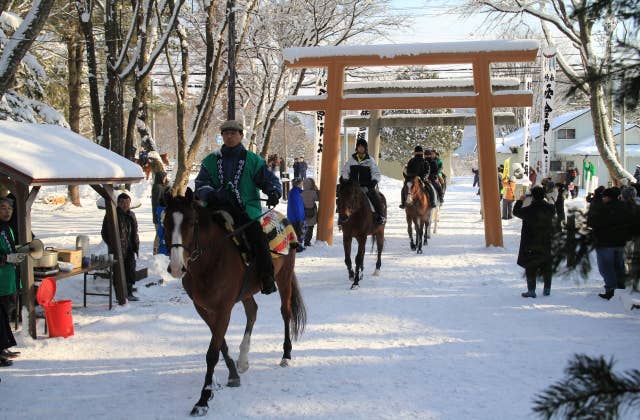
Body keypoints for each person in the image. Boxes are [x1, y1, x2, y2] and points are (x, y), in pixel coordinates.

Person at [195, 120, 281, 295]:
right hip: (216, 209)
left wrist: (273, 191)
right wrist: (209, 193)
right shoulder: (210, 161)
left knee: (258, 237)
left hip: (246, 210)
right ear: (222, 136)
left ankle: (267, 277)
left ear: (241, 136)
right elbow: (201, 183)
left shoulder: (253, 160)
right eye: (226, 133)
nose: (229, 136)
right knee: (195, 233)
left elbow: (268, 180)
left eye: (233, 133)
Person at [588, 187, 637, 300]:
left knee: (606, 267)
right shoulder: (625, 208)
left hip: (605, 242)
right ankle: (621, 286)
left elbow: (592, 222)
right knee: (619, 265)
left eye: (604, 196)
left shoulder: (602, 208)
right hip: (621, 242)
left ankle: (611, 289)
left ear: (607, 197)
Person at [513, 186, 556, 298]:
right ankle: (547, 289)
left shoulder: (528, 211)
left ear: (532, 197)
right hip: (545, 241)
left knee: (531, 266)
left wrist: (520, 200)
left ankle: (531, 290)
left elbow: (515, 211)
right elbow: (553, 207)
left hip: (530, 243)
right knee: (546, 265)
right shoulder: (550, 209)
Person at [101, 193, 140, 301]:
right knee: (118, 272)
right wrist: (113, 245)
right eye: (122, 203)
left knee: (130, 270)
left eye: (127, 203)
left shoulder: (131, 215)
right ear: (118, 203)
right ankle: (120, 294)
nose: (125, 205)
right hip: (117, 249)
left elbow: (135, 231)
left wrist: (136, 243)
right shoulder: (112, 214)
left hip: (130, 248)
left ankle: (129, 291)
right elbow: (104, 233)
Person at [341, 138, 385, 225]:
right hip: (353, 186)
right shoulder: (351, 160)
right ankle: (341, 214)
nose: (360, 149)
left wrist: (374, 181)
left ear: (365, 148)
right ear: (356, 148)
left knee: (375, 197)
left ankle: (380, 215)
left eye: (362, 147)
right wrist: (345, 178)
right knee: (342, 195)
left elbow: (376, 172)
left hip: (366, 186)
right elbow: (345, 170)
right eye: (359, 147)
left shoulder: (370, 160)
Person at [0, 196, 21, 364]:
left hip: (9, 280)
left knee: (6, 315)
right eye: (3, 208)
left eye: (10, 209)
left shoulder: (8, 228)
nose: (7, 211)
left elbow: (12, 248)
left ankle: (3, 346)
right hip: (0, 280)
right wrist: (7, 258)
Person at [621, 186, 640, 291]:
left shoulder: (621, 208)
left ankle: (627, 279)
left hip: (626, 236)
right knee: (635, 258)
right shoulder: (638, 206)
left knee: (626, 258)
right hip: (636, 236)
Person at [151, 169, 169, 255]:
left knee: (159, 234)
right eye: (165, 177)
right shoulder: (157, 188)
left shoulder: (160, 186)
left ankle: (157, 251)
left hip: (160, 214)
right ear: (161, 178)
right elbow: (157, 202)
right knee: (159, 234)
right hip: (159, 215)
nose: (166, 179)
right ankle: (156, 252)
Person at [287, 178, 306, 253]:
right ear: (298, 184)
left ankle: (297, 246)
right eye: (301, 183)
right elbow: (297, 207)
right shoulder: (295, 193)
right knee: (298, 232)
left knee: (296, 231)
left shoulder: (295, 191)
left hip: (293, 216)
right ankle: (297, 247)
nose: (302, 185)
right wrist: (300, 218)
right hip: (296, 217)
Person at [301, 177, 319, 247]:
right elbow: (318, 199)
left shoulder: (301, 193)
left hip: (304, 213)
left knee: (304, 228)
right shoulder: (314, 193)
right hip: (312, 213)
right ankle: (307, 241)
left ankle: (302, 239)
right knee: (310, 228)